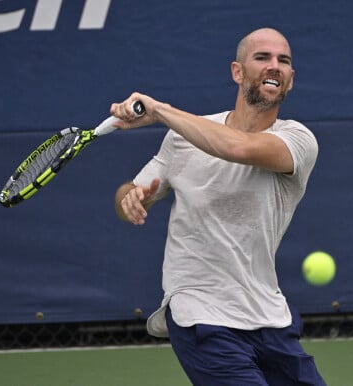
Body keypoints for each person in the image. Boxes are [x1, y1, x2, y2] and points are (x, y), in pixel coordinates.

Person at [111, 27, 325, 386]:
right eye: (262, 57)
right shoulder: (182, 138)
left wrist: (160, 110)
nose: (274, 66)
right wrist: (129, 199)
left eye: (283, 61)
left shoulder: (299, 140)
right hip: (200, 314)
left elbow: (238, 149)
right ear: (237, 72)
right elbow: (131, 191)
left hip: (268, 316)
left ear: (290, 80)